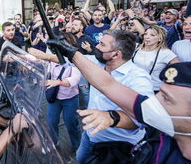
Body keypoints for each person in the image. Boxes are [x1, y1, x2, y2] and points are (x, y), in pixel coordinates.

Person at [48, 39, 191, 163]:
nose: (155, 99)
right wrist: (71, 52)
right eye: (159, 92)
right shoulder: (165, 126)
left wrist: (111, 119)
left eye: (166, 98)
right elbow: (108, 85)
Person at [46, 30, 154, 163]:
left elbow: (145, 116)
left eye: (102, 45)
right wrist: (47, 53)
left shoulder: (139, 78)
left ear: (116, 54)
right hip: (90, 137)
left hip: (119, 146)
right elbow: (71, 59)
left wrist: (111, 117)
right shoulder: (98, 64)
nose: (96, 46)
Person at [28, 32, 81, 152]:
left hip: (70, 98)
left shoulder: (75, 59)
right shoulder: (52, 56)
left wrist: (58, 82)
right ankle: (53, 143)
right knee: (51, 122)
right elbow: (42, 63)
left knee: (71, 124)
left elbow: (76, 79)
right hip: (55, 98)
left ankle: (77, 145)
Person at [132, 26, 179, 92]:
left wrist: (169, 83)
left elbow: (179, 69)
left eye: (152, 35)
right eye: (146, 34)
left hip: (153, 90)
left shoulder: (165, 53)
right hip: (133, 86)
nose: (147, 37)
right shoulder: (136, 47)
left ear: (160, 39)